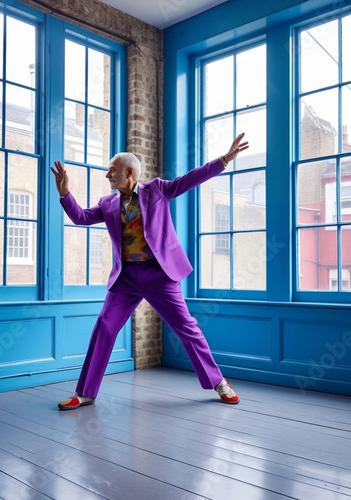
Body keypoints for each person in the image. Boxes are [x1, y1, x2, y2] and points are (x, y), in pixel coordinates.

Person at [51, 133, 248, 409]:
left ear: (129, 171)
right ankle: (85, 392)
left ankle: (219, 383)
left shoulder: (157, 190)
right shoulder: (108, 204)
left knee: (187, 328)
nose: (108, 175)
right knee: (104, 328)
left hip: (160, 275)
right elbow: (81, 217)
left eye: (112, 170)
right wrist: (64, 193)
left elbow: (190, 179)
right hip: (126, 278)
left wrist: (224, 160)